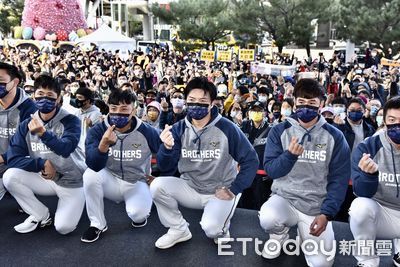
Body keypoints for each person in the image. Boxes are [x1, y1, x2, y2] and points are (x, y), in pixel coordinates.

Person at [150, 77, 258, 249]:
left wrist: (234, 189)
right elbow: (165, 167)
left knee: (212, 229)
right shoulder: (178, 129)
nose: (196, 105)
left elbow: (251, 160)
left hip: (221, 190)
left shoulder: (228, 128)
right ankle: (178, 229)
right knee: (157, 185)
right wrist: (167, 148)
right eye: (191, 101)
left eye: (202, 102)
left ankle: (222, 228)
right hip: (191, 187)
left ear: (212, 103)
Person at [260, 78, 351, 266]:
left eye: (312, 103)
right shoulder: (279, 131)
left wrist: (327, 214)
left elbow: (339, 180)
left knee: (320, 264)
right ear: (294, 102)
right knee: (268, 217)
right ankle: (279, 236)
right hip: (285, 198)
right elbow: (271, 170)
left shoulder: (335, 136)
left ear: (322, 104)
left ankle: (306, 234)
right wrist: (290, 156)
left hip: (317, 206)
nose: (306, 107)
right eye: (301, 102)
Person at [3, 74, 85, 234]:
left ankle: (82, 197)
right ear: (33, 96)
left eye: (50, 96)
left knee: (63, 228)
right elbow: (13, 157)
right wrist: (41, 164)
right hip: (45, 177)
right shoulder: (27, 124)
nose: (44, 100)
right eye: (40, 95)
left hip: (70, 180)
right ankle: (39, 214)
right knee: (10, 176)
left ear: (58, 98)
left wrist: (43, 133)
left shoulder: (71, 120)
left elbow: (65, 149)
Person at [81, 89, 161, 243]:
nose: (118, 113)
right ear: (108, 109)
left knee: (138, 216)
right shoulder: (98, 130)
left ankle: (141, 207)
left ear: (134, 111)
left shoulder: (148, 131)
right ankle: (97, 224)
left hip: (136, 181)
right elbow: (92, 164)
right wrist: (103, 145)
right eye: (113, 108)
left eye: (124, 109)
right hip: (109, 178)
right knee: (90, 175)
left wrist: (159, 179)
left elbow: (165, 158)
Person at [349, 96, 400, 267]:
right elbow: (360, 191)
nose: (397, 126)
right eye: (392, 120)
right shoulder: (368, 147)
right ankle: (367, 260)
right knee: (359, 207)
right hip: (381, 212)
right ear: (384, 121)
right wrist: (368, 176)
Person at [0, 62, 37, 201]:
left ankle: (23, 192)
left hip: (17, 162)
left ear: (15, 82)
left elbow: (29, 147)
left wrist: (3, 158)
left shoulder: (30, 109)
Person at [238, 100, 272, 210]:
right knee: (243, 204)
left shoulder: (271, 130)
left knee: (260, 204)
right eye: (253, 110)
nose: (256, 113)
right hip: (244, 172)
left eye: (259, 111)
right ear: (248, 112)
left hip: (262, 175)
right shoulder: (242, 127)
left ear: (264, 113)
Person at [73, 87, 102, 157]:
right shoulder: (76, 113)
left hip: (90, 148)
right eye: (76, 97)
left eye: (80, 97)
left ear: (88, 100)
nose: (77, 100)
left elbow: (98, 133)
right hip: (78, 148)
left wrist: (91, 126)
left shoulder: (96, 114)